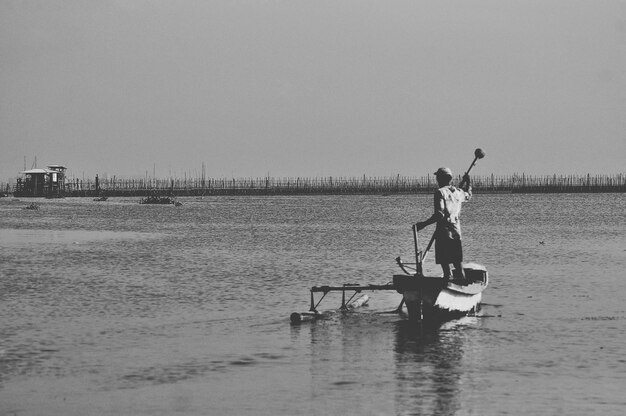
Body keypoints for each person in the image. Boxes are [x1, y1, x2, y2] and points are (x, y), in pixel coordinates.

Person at [415, 167, 472, 282]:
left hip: (443, 232)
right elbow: (468, 195)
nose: (436, 180)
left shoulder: (440, 192)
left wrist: (423, 224)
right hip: (456, 232)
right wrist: (468, 182)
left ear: (441, 179)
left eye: (437, 178)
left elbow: (439, 215)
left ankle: (448, 286)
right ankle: (462, 283)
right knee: (457, 263)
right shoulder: (458, 192)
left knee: (446, 267)